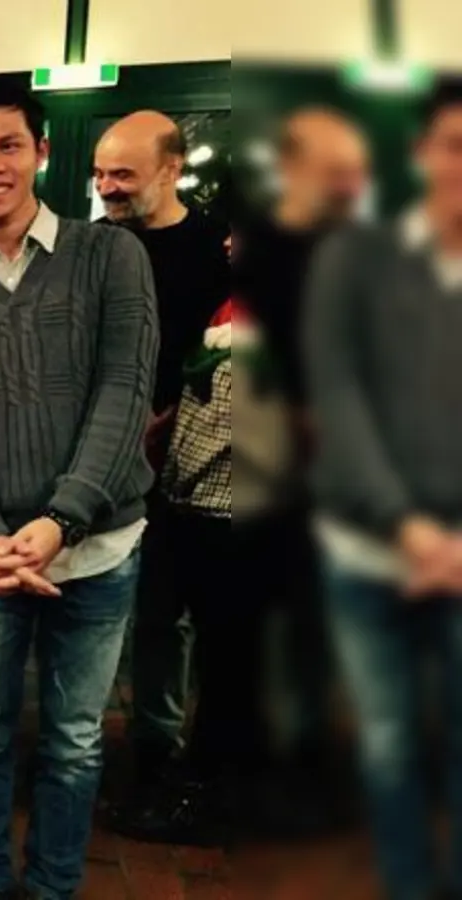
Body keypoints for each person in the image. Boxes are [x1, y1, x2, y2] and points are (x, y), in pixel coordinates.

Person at [0, 79, 157, 900]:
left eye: (8, 145)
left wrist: (59, 521)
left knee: (76, 743)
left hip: (98, 548)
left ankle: (52, 887)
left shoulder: (110, 255)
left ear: (43, 153)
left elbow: (125, 393)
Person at [304, 81, 462, 900]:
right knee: (393, 743)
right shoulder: (358, 262)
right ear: (423, 154)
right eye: (455, 146)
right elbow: (341, 399)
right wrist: (412, 532)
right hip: (371, 553)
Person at [232, 106, 370, 836]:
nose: (349, 184)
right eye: (334, 169)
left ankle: (314, 769)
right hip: (256, 475)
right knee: (247, 631)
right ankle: (255, 775)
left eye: (354, 171)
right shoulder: (250, 254)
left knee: (323, 631)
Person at [92, 110, 230, 796]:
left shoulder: (213, 250)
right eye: (100, 173)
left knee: (163, 613)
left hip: (178, 463)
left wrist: (167, 419)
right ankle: (79, 740)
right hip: (99, 458)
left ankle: (154, 745)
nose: (107, 187)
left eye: (123, 174)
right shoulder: (92, 245)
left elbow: (223, 357)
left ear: (172, 168)